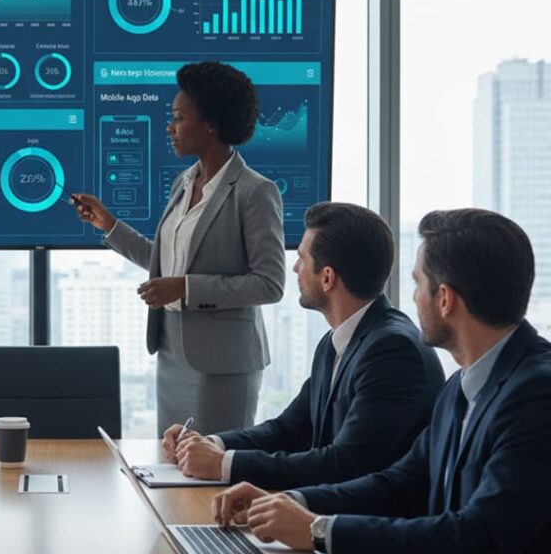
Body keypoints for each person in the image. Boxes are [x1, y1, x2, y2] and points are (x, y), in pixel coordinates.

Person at [212, 209, 551, 554]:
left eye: (417, 283)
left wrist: (320, 531)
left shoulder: (536, 394)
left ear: (445, 299)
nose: (412, 298)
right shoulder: (461, 387)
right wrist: (288, 502)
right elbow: (399, 483)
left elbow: (478, 538)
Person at [161, 202, 445, 489]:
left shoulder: (393, 351)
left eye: (302, 259)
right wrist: (212, 443)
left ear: (327, 277)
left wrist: (223, 464)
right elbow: (290, 429)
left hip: (366, 524)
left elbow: (345, 464)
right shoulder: (336, 342)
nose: (295, 268)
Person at [73, 61, 285, 432]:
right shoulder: (183, 183)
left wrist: (185, 288)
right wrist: (108, 224)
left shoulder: (255, 191)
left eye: (178, 117)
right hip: (172, 351)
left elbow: (269, 283)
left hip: (223, 362)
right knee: (171, 463)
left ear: (211, 124)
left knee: (210, 471)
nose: (169, 127)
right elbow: (165, 259)